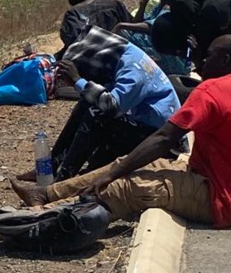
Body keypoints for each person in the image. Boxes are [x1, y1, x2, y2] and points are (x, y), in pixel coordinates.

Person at [11, 35, 231, 230]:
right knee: (124, 165)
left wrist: (111, 177)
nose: (202, 63)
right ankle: (46, 194)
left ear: (225, 60)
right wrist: (116, 169)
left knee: (126, 187)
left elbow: (164, 139)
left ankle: (34, 223)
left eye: (209, 57)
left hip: (226, 198)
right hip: (216, 177)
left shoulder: (211, 89)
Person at [12, 27, 181, 189]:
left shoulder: (132, 72)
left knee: (97, 114)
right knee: (88, 102)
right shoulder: (124, 55)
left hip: (161, 139)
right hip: (143, 124)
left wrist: (78, 81)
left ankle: (63, 179)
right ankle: (54, 163)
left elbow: (111, 105)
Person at [113, 0, 192, 74]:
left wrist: (120, 25)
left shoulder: (171, 6)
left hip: (175, 62)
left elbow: (152, 27)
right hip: (163, 53)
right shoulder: (161, 4)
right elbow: (136, 23)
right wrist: (144, 3)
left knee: (123, 35)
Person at [57, 0, 132, 55]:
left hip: (93, 57)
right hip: (123, 50)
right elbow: (131, 25)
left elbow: (71, 40)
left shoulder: (73, 13)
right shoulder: (115, 5)